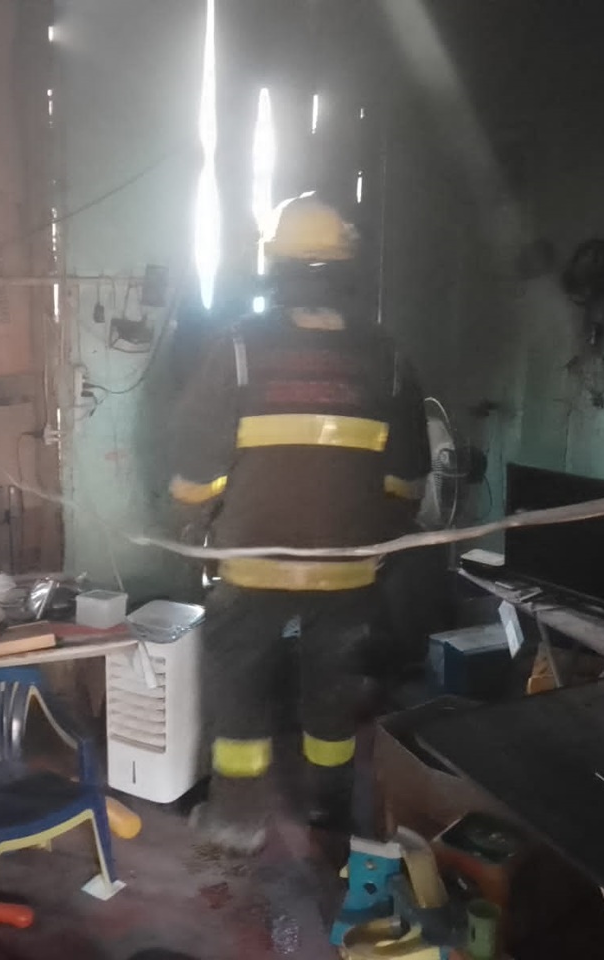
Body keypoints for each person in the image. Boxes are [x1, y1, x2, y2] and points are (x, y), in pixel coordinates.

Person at [168, 194, 430, 854]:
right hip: (347, 573)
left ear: (275, 267)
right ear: (346, 268)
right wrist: (373, 540)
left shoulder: (238, 350)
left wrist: (197, 525)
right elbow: (408, 480)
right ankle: (328, 813)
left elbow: (196, 474)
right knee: (332, 696)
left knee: (240, 689)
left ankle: (236, 818)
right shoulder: (386, 357)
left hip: (251, 564)